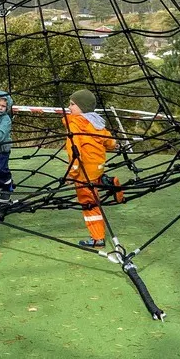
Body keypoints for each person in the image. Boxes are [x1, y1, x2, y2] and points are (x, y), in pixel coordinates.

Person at [64, 89, 117, 248]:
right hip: (97, 168)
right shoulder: (96, 122)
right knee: (96, 183)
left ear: (82, 106)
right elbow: (109, 141)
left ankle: (97, 238)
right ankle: (110, 182)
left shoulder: (75, 125)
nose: (69, 107)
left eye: (73, 104)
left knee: (89, 204)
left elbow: (75, 152)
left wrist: (71, 174)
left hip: (84, 173)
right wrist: (114, 145)